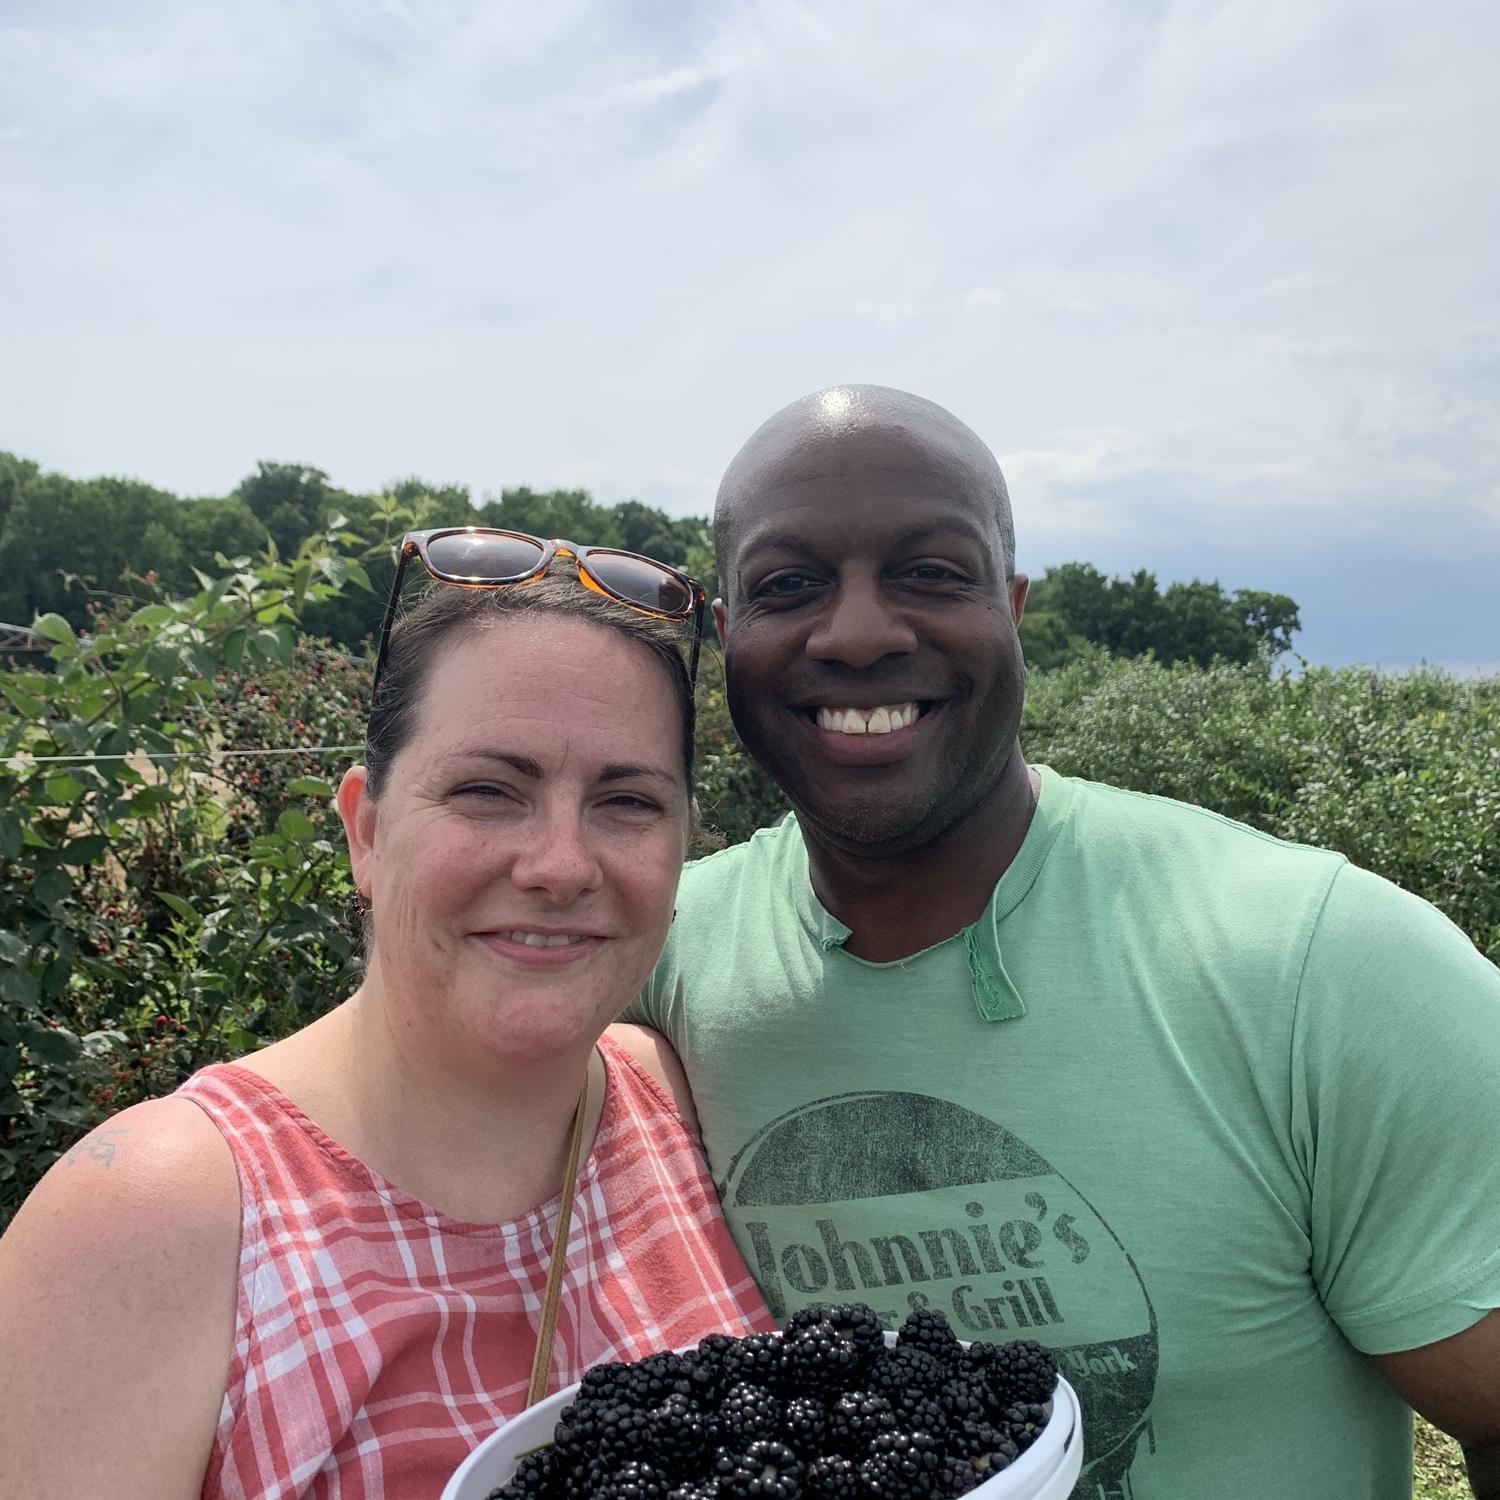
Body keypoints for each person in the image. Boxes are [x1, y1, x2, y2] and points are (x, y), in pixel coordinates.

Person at [626, 385, 1500, 1498]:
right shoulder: (656, 966)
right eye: (788, 585)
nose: (856, 633)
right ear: (724, 635)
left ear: (1014, 606)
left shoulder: (1324, 963)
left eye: (931, 572)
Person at [0, 543, 770, 1498]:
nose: (561, 865)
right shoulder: (151, 1225)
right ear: (365, 831)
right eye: (489, 790)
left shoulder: (682, 1100)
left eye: (627, 801)